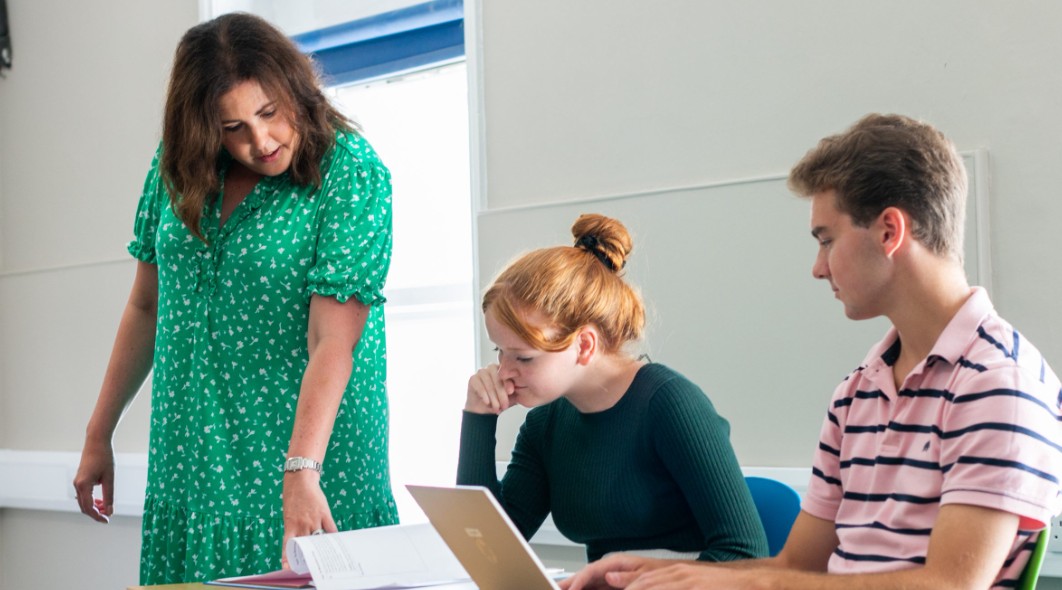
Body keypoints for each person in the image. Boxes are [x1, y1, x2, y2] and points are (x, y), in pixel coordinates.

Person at [561, 114, 1062, 590]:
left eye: (827, 240)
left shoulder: (999, 383)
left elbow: (949, 585)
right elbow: (796, 569)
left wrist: (744, 582)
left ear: (890, 231)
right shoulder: (858, 392)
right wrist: (662, 571)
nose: (818, 268)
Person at [71, 13, 398, 585]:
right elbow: (147, 307)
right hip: (193, 462)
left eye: (269, 113)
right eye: (233, 127)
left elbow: (333, 339)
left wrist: (301, 470)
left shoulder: (350, 172)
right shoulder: (176, 169)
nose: (260, 141)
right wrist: (99, 433)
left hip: (308, 458)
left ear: (296, 89)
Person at [459, 213, 769, 564]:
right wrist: (478, 417)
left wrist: (638, 582)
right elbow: (485, 551)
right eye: (499, 351)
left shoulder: (671, 405)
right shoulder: (545, 425)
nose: (503, 372)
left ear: (584, 345)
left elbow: (744, 554)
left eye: (523, 357)